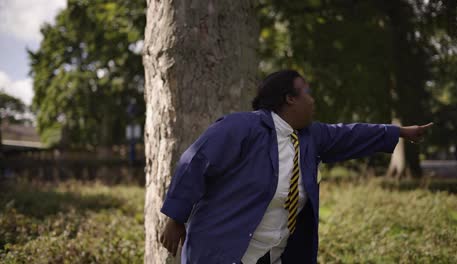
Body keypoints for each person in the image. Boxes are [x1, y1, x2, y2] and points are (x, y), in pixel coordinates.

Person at [159, 70, 433, 264]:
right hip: (224, 252)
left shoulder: (311, 137)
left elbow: (351, 133)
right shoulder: (240, 127)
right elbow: (195, 162)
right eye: (307, 92)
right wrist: (175, 218)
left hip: (273, 255)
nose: (312, 100)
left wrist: (399, 132)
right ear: (290, 98)